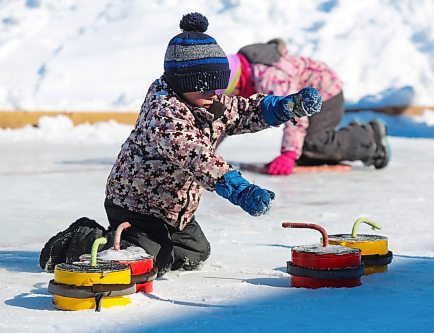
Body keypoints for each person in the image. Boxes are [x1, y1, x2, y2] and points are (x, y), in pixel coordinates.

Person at [39, 13, 323, 277]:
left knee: (195, 253)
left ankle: (155, 241)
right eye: (207, 86)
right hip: (137, 204)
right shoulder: (165, 113)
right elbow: (198, 157)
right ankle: (85, 238)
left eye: (219, 85)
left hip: (175, 209)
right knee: (148, 262)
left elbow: (244, 111)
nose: (215, 93)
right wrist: (239, 189)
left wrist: (286, 107)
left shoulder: (205, 98)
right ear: (183, 81)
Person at [219, 39, 390, 175]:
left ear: (234, 85)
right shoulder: (242, 72)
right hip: (305, 96)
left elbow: (294, 112)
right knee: (307, 153)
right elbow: (224, 118)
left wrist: (289, 154)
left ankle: (370, 138)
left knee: (314, 145)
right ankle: (350, 134)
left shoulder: (270, 77)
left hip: (325, 93)